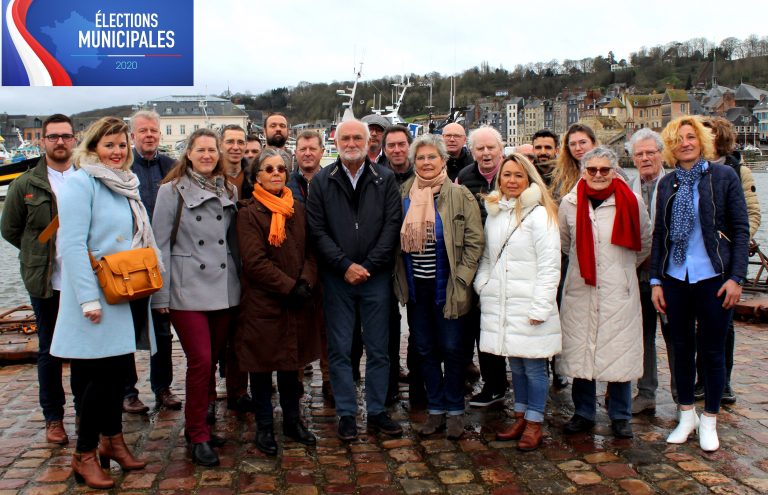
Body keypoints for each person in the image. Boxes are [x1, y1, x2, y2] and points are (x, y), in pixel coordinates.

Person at [50, 117, 154, 488]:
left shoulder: (125, 184)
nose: (118, 152)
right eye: (110, 145)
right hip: (97, 297)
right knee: (101, 381)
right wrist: (87, 300)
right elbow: (72, 245)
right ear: (93, 147)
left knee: (117, 374)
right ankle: (84, 453)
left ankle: (113, 441)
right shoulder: (81, 184)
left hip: (125, 292)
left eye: (122, 145)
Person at [651, 116, 749, 452]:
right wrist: (655, 280)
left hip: (713, 277)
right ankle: (686, 415)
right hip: (676, 277)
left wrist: (736, 277)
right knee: (680, 349)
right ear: (671, 145)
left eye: (691, 137)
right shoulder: (668, 183)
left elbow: (740, 229)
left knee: (712, 351)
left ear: (702, 141)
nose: (685, 143)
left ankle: (710, 419)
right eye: (678, 138)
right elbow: (660, 234)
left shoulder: (723, 177)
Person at [306, 119, 402, 442]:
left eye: (356, 137)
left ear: (367, 141)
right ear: (335, 141)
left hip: (375, 278)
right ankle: (347, 413)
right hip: (337, 278)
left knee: (378, 349)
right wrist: (345, 265)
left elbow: (392, 228)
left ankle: (376, 410)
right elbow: (316, 231)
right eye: (344, 137)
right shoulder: (321, 181)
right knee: (341, 350)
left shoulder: (385, 179)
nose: (350, 142)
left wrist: (369, 266)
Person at [151, 128, 241, 466]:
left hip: (223, 287)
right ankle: (198, 434)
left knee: (213, 358)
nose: (207, 155)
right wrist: (160, 297)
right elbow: (159, 244)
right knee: (200, 360)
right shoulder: (170, 191)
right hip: (186, 289)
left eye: (211, 150)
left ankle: (200, 423)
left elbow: (232, 244)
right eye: (200, 150)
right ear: (188, 153)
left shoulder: (228, 189)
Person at [393, 134, 484, 440]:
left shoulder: (460, 196)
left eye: (432, 157)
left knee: (453, 349)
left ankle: (455, 410)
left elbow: (474, 242)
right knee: (425, 349)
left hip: (450, 287)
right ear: (413, 162)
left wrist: (462, 280)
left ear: (443, 160)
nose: (427, 162)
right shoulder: (403, 194)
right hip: (418, 288)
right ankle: (435, 409)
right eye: (421, 158)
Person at [558, 146, 651, 439]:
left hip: (618, 287)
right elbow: (564, 243)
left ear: (614, 171)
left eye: (604, 170)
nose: (598, 175)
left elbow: (644, 243)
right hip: (581, 286)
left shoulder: (632, 202)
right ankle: (583, 412)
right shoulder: (569, 204)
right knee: (582, 351)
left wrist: (620, 271)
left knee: (618, 352)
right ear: (583, 172)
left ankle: (620, 415)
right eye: (592, 170)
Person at [236, 147, 321, 455]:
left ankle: (292, 421)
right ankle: (264, 427)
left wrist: (306, 282)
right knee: (261, 369)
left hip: (296, 301)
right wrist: (289, 287)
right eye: (268, 169)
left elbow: (312, 252)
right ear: (256, 176)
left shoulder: (297, 209)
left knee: (290, 366)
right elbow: (254, 262)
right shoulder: (248, 213)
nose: (275, 174)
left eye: (280, 169)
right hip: (264, 303)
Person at [475, 153, 561, 451]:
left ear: (529, 179)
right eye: (506, 175)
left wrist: (541, 307)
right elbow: (487, 257)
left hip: (531, 303)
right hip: (503, 302)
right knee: (517, 365)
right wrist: (483, 285)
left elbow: (551, 266)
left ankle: (535, 422)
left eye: (518, 176)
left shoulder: (540, 216)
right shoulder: (496, 213)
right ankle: (521, 415)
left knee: (535, 368)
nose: (511, 181)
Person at [1, 114, 77, 444]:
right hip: (46, 280)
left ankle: (89, 410)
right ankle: (54, 417)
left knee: (86, 350)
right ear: (43, 142)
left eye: (65, 136)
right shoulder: (25, 184)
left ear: (74, 140)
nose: (60, 142)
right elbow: (11, 229)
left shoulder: (87, 178)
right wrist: (38, 253)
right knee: (50, 349)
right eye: (53, 137)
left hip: (84, 280)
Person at [696, 116, 761, 405]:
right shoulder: (688, 170)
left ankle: (723, 382)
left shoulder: (738, 171)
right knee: (696, 321)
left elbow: (752, 213)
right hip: (696, 259)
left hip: (725, 257)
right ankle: (700, 379)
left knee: (725, 322)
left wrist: (735, 241)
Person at [124, 109, 181, 414]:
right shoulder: (123, 166)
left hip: (161, 258)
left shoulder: (171, 167)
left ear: (160, 135)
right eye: (143, 131)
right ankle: (127, 391)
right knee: (128, 328)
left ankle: (163, 387)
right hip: (129, 260)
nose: (149, 135)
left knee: (162, 329)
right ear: (133, 136)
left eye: (153, 131)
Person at [457, 126, 509, 408]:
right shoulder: (465, 178)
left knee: (502, 326)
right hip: (475, 262)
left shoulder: (512, 175)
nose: (486, 153)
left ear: (501, 149)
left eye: (491, 148)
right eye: (480, 149)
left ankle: (503, 382)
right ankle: (486, 380)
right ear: (473, 151)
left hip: (507, 263)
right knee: (476, 325)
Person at [627, 128, 673, 415]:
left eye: (650, 153)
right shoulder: (629, 188)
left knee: (675, 336)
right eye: (639, 154)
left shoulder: (674, 185)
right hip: (638, 273)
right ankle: (646, 392)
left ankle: (683, 396)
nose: (645, 158)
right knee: (643, 336)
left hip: (669, 275)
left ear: (660, 154)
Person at [217, 124, 254, 415]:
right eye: (229, 141)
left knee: (244, 330)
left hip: (249, 259)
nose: (235, 147)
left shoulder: (254, 177)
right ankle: (232, 388)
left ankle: (241, 391)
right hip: (219, 260)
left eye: (240, 141)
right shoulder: (211, 178)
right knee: (224, 334)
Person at [550, 123, 597, 202]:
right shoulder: (561, 175)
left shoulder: (611, 171)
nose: (578, 148)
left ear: (593, 143)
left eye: (583, 142)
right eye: (573, 144)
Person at [288, 131, 324, 204]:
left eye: (312, 149)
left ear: (321, 152)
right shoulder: (285, 183)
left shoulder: (332, 183)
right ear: (295, 153)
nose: (307, 153)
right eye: (303, 149)